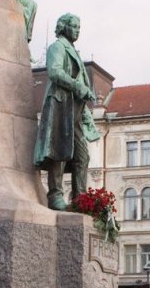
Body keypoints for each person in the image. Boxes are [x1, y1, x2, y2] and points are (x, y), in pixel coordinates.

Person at [33, 12, 101, 211]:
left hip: (76, 110)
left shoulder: (73, 50)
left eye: (79, 27)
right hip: (60, 105)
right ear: (64, 27)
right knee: (59, 151)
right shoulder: (57, 47)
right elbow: (54, 72)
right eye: (74, 26)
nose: (77, 31)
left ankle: (80, 199)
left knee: (82, 156)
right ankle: (55, 195)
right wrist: (78, 87)